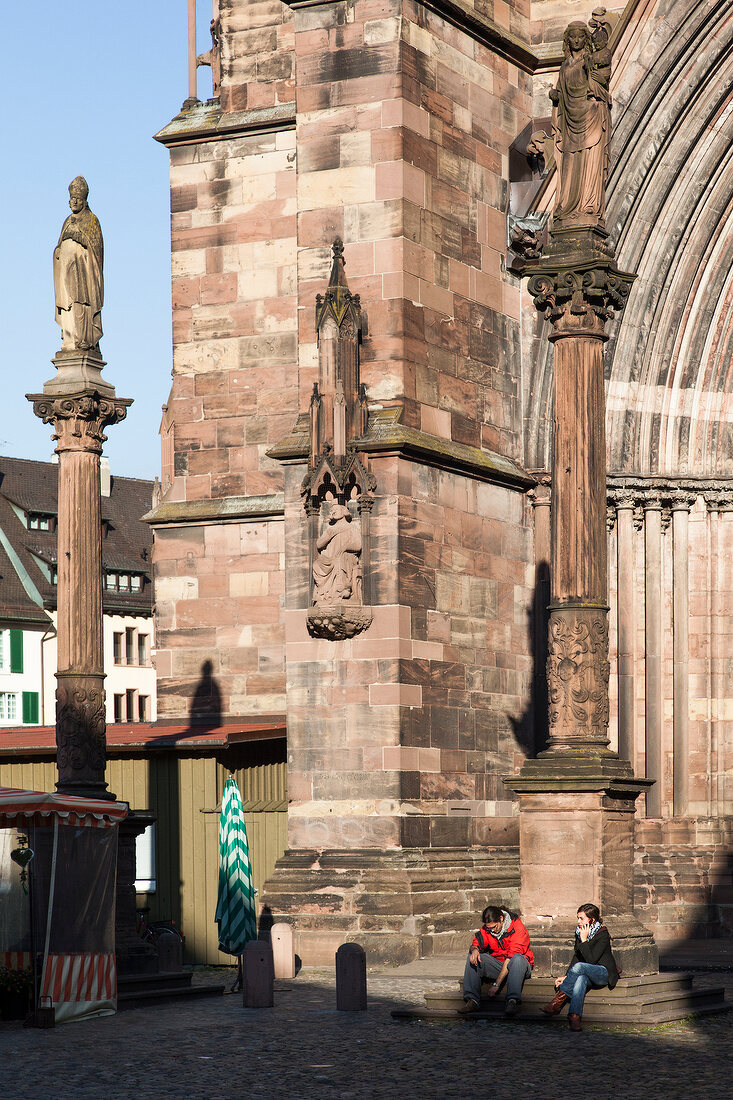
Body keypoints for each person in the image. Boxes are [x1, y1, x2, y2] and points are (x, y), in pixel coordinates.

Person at [550, 20, 611, 229]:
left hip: (589, 118)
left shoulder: (589, 60)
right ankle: (568, 205)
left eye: (580, 37)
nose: (576, 40)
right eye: (572, 37)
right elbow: (561, 90)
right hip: (569, 123)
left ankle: (587, 204)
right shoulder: (564, 66)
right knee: (569, 163)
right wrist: (555, 95)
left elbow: (599, 84)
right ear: (568, 40)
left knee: (588, 161)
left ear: (586, 39)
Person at [542, 902, 620, 1030]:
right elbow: (577, 956)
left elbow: (591, 960)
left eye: (581, 918)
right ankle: (574, 1017)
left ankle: (556, 1003)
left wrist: (584, 941)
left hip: (603, 972)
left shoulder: (602, 934)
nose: (578, 921)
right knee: (580, 979)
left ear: (591, 919)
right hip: (586, 973)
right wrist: (567, 976)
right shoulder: (580, 932)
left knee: (580, 967)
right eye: (577, 918)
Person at [53, 176, 104, 352]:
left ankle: (84, 337)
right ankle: (69, 337)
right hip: (67, 272)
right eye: (72, 199)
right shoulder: (67, 221)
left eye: (78, 199)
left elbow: (95, 249)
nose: (74, 202)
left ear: (84, 201)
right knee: (69, 302)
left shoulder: (91, 220)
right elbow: (59, 245)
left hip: (83, 272)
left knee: (82, 302)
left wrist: (78, 238)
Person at [459, 905, 534, 1017]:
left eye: (494, 927)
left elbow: (510, 958)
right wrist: (474, 950)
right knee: (473, 956)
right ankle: (472, 1000)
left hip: (518, 966)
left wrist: (496, 984)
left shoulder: (517, 927)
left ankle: (512, 1001)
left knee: (517, 959)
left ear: (501, 919)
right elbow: (475, 944)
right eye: (489, 928)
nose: (491, 930)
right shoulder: (487, 929)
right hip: (498, 964)